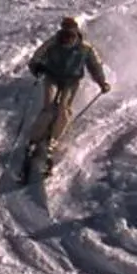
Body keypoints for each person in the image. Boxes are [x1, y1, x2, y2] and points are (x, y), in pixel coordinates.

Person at [21, 16, 109, 178]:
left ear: (75, 33)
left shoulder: (85, 48)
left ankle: (52, 140)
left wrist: (102, 82)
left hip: (71, 81)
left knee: (64, 109)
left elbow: (95, 66)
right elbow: (36, 57)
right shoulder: (53, 42)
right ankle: (34, 139)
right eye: (64, 33)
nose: (66, 38)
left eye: (69, 34)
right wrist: (37, 68)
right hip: (52, 77)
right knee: (48, 107)